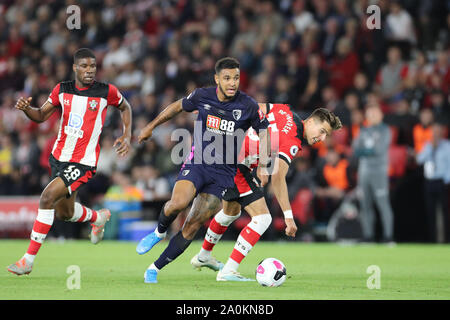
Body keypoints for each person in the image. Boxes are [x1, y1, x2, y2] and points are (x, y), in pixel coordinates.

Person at [135, 57, 270, 283]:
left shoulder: (247, 105)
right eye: (227, 78)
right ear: (217, 79)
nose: (232, 83)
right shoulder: (202, 96)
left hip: (223, 176)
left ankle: (154, 268)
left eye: (236, 78)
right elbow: (178, 106)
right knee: (178, 203)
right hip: (198, 163)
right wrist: (151, 126)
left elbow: (264, 131)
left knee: (192, 225)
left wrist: (265, 164)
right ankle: (159, 232)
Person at [7, 48, 132, 275]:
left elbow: (125, 106)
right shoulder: (61, 90)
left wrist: (127, 134)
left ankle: (27, 260)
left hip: (83, 161)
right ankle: (98, 217)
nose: (89, 70)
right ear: (75, 67)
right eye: (84, 66)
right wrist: (27, 110)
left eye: (93, 66)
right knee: (64, 212)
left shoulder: (105, 91)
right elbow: (42, 115)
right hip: (59, 158)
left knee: (46, 198)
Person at [191, 105, 342, 281]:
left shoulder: (285, 110)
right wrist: (288, 217)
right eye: (322, 131)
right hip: (237, 164)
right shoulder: (292, 140)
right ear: (311, 121)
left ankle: (203, 256)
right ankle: (228, 271)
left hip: (229, 153)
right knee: (263, 218)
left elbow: (255, 107)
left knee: (230, 212)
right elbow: (278, 178)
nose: (322, 138)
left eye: (326, 135)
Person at [352, 105, 394, 243]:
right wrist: (368, 150)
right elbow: (355, 149)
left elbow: (380, 150)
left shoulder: (385, 131)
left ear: (381, 115)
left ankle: (388, 237)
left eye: (374, 114)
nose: (371, 117)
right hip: (364, 172)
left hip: (379, 171)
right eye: (369, 115)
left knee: (383, 204)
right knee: (365, 205)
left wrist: (366, 151)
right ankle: (368, 236)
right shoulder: (363, 130)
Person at [416, 122, 450, 243]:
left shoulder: (447, 146)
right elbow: (419, 160)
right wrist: (430, 148)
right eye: (433, 131)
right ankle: (432, 240)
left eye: (437, 131)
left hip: (442, 182)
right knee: (430, 211)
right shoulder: (428, 145)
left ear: (442, 132)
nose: (435, 134)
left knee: (445, 212)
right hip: (429, 181)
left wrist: (447, 180)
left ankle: (446, 240)